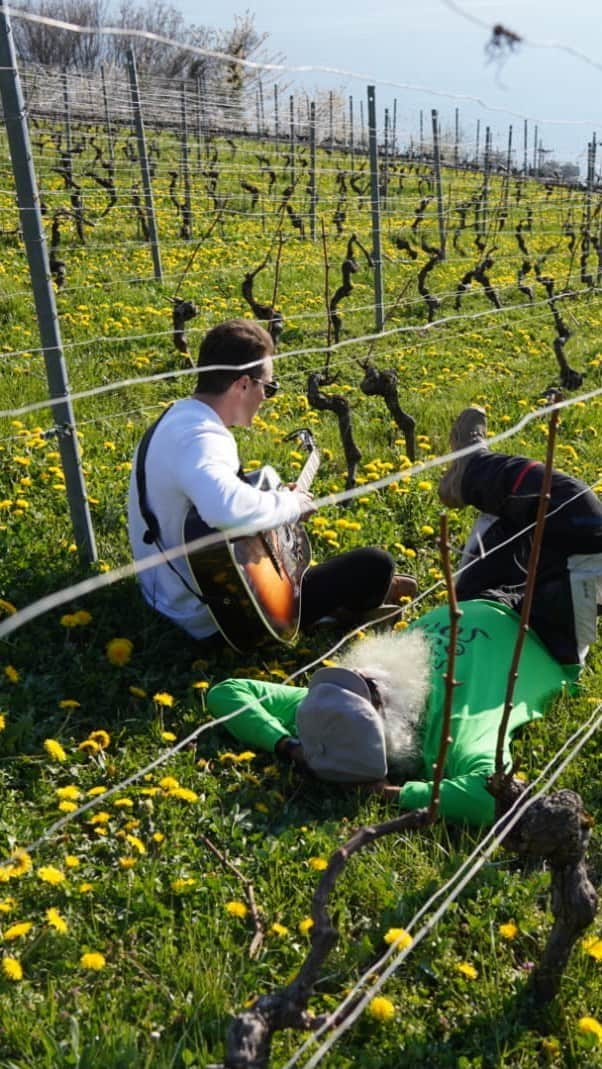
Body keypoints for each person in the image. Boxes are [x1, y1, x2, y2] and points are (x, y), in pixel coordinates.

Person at [206, 406, 602, 826]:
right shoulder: (455, 736)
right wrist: (391, 793)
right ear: (390, 730)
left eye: (354, 680)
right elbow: (488, 798)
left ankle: (475, 470)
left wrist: (291, 748)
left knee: (523, 515)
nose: (362, 673)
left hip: (471, 595)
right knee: (583, 519)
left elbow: (228, 693)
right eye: (371, 689)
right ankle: (473, 468)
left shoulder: (327, 710)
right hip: (543, 631)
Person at [128, 318, 415, 643]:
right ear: (243, 385)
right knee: (375, 565)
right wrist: (288, 506)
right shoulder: (203, 438)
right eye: (269, 387)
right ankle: (335, 613)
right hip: (213, 614)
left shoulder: (179, 417)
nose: (267, 398)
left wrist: (274, 497)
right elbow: (224, 509)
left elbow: (210, 501)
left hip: (167, 591)